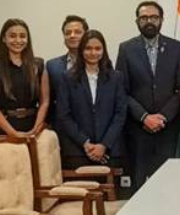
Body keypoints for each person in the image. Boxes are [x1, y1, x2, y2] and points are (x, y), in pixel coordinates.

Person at [116, 1, 180, 191]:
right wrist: (144, 117)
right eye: (144, 18)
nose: (149, 21)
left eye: (154, 17)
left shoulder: (176, 47)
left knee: (167, 184)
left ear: (161, 20)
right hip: (138, 128)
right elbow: (122, 90)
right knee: (139, 184)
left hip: (168, 128)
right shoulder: (126, 49)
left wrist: (163, 116)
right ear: (137, 21)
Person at [55, 30, 128, 171]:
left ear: (103, 50)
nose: (93, 53)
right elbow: (64, 115)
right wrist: (85, 143)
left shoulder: (116, 77)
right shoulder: (68, 78)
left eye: (97, 48)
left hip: (109, 151)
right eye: (88, 48)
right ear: (81, 50)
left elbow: (120, 114)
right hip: (77, 151)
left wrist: (103, 145)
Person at [0, 18, 49, 137]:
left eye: (22, 36)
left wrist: (35, 129)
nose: (18, 40)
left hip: (34, 128)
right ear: (4, 39)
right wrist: (13, 133)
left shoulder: (39, 65)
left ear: (27, 40)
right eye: (12, 36)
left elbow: (45, 102)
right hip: (4, 129)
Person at [45, 14, 88, 125]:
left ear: (86, 35)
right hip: (61, 127)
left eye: (77, 32)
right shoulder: (52, 66)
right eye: (68, 33)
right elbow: (48, 102)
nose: (72, 36)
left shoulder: (99, 64)